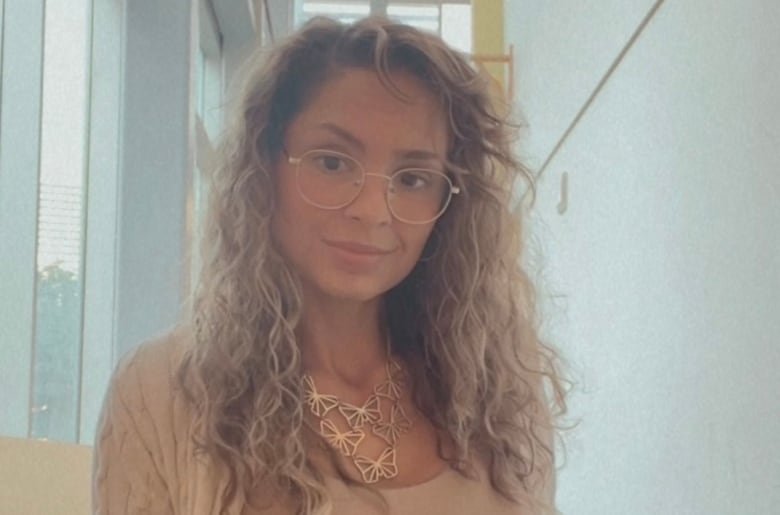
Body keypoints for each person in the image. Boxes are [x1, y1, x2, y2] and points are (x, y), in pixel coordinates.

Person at [93, 15, 568, 515]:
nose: (372, 209)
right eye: (333, 162)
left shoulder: (501, 401)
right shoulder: (163, 392)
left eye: (412, 178)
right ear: (264, 167)